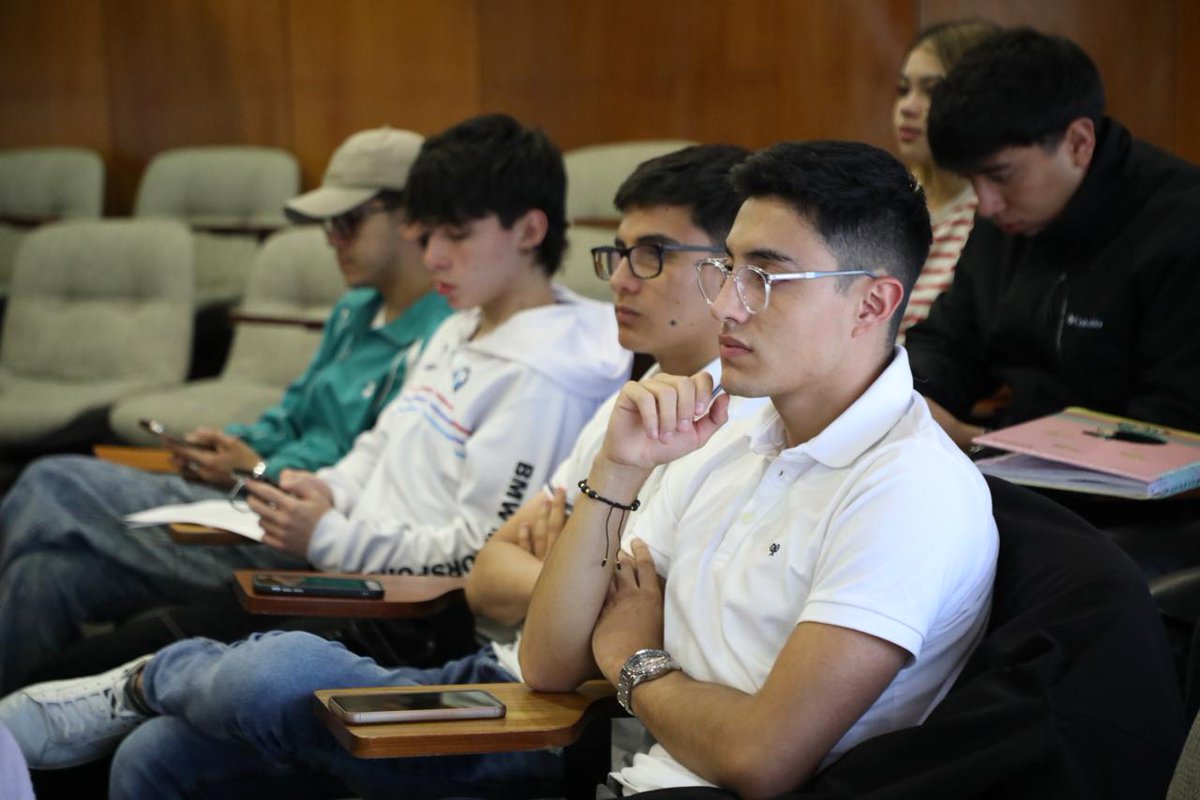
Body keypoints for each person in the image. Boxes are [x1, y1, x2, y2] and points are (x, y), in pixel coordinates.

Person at [0, 143, 762, 798]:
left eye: (651, 256)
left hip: (449, 640)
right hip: (468, 637)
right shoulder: (616, 396)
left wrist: (563, 572)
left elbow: (501, 583)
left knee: (63, 498)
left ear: (730, 273)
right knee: (140, 735)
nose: (622, 278)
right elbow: (495, 564)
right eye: (618, 254)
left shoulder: (722, 421)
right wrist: (576, 582)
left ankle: (147, 680)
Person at [521, 140, 998, 796]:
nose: (725, 305)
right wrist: (618, 468)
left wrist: (635, 661)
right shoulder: (727, 438)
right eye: (727, 268)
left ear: (872, 302)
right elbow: (547, 663)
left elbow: (762, 760)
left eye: (765, 278)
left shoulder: (912, 489)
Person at [0, 127, 454, 692]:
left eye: (347, 222)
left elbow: (370, 477)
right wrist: (237, 446)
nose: (332, 240)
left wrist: (254, 468)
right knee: (44, 575)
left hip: (298, 532)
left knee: (49, 483)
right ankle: (19, 762)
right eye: (326, 225)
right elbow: (292, 414)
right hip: (245, 499)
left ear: (413, 217)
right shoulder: (355, 310)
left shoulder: (441, 336)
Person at [904, 27, 1200, 574]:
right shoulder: (1007, 218)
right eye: (971, 180)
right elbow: (950, 338)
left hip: (1140, 524)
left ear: (1079, 143)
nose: (986, 204)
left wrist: (984, 443)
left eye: (999, 176)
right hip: (1018, 487)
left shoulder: (1182, 229)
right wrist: (913, 401)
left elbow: (1174, 445)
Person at [893, 19, 999, 336]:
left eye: (932, 91)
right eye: (903, 89)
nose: (907, 107)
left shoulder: (993, 214)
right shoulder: (884, 199)